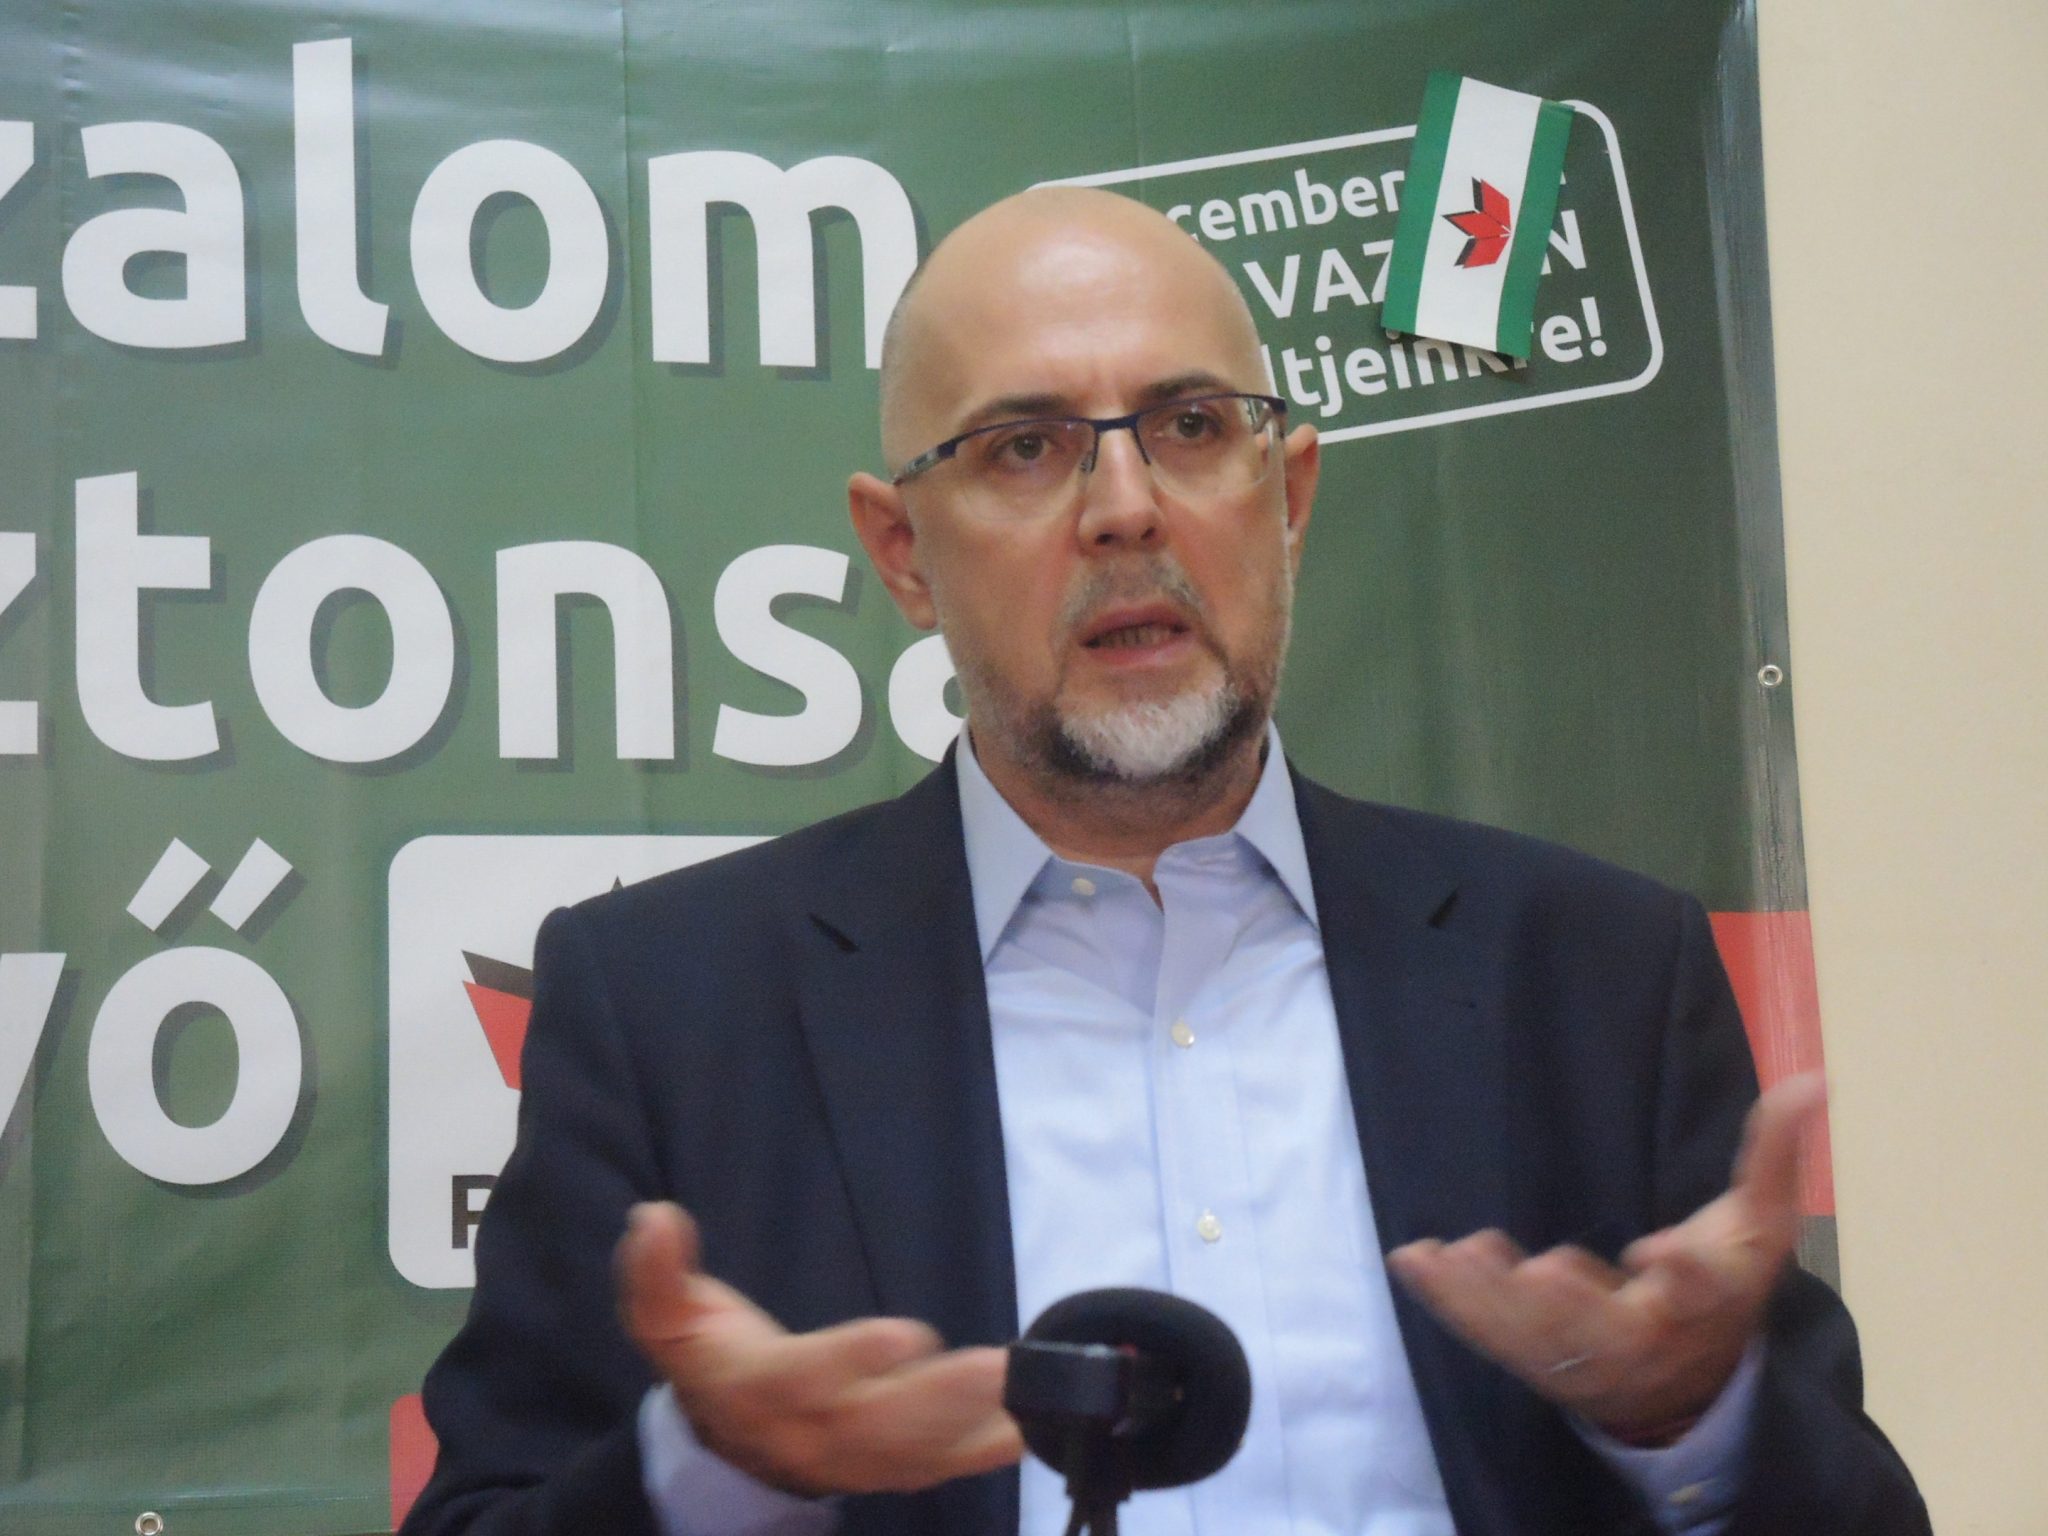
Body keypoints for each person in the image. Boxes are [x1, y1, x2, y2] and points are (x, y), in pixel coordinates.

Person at [401, 187, 1928, 1536]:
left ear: (1290, 496)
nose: (1126, 510)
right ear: (903, 554)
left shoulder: (1596, 975)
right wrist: (724, 1472)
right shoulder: (671, 1006)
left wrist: (1689, 1423)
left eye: (1193, 428)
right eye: (1025, 448)